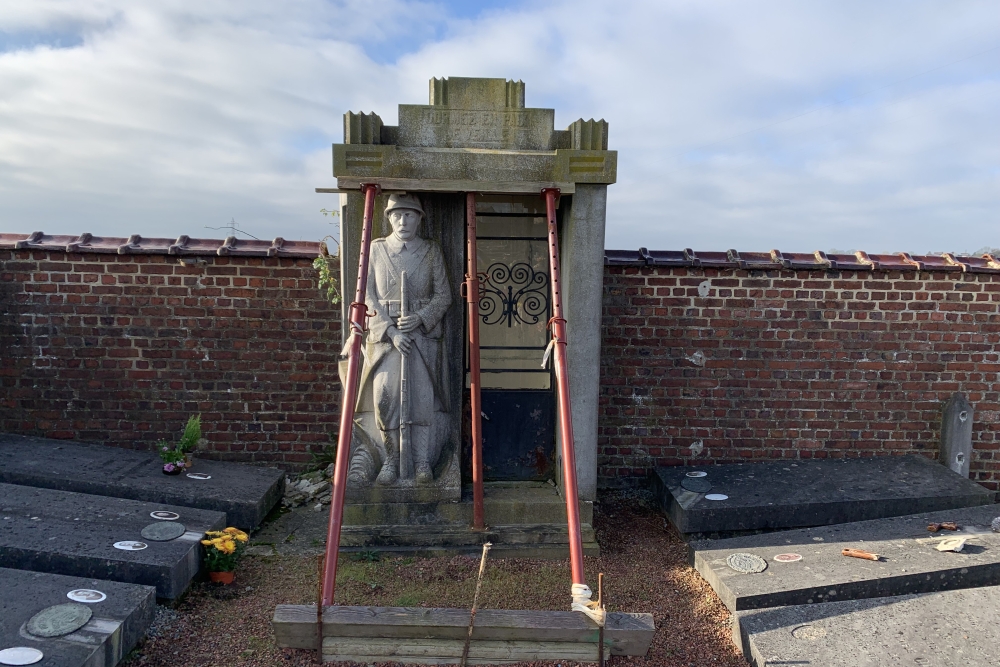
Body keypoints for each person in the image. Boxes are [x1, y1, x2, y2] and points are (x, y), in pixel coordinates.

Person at [353, 193, 452, 485]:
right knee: (385, 399)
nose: (403, 220)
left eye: (409, 214)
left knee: (421, 401)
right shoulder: (376, 250)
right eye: (397, 215)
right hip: (387, 339)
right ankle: (391, 460)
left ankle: (422, 461)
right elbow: (366, 295)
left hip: (421, 338)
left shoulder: (431, 251)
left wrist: (421, 318)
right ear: (388, 218)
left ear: (420, 218)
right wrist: (392, 332)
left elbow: (444, 295)